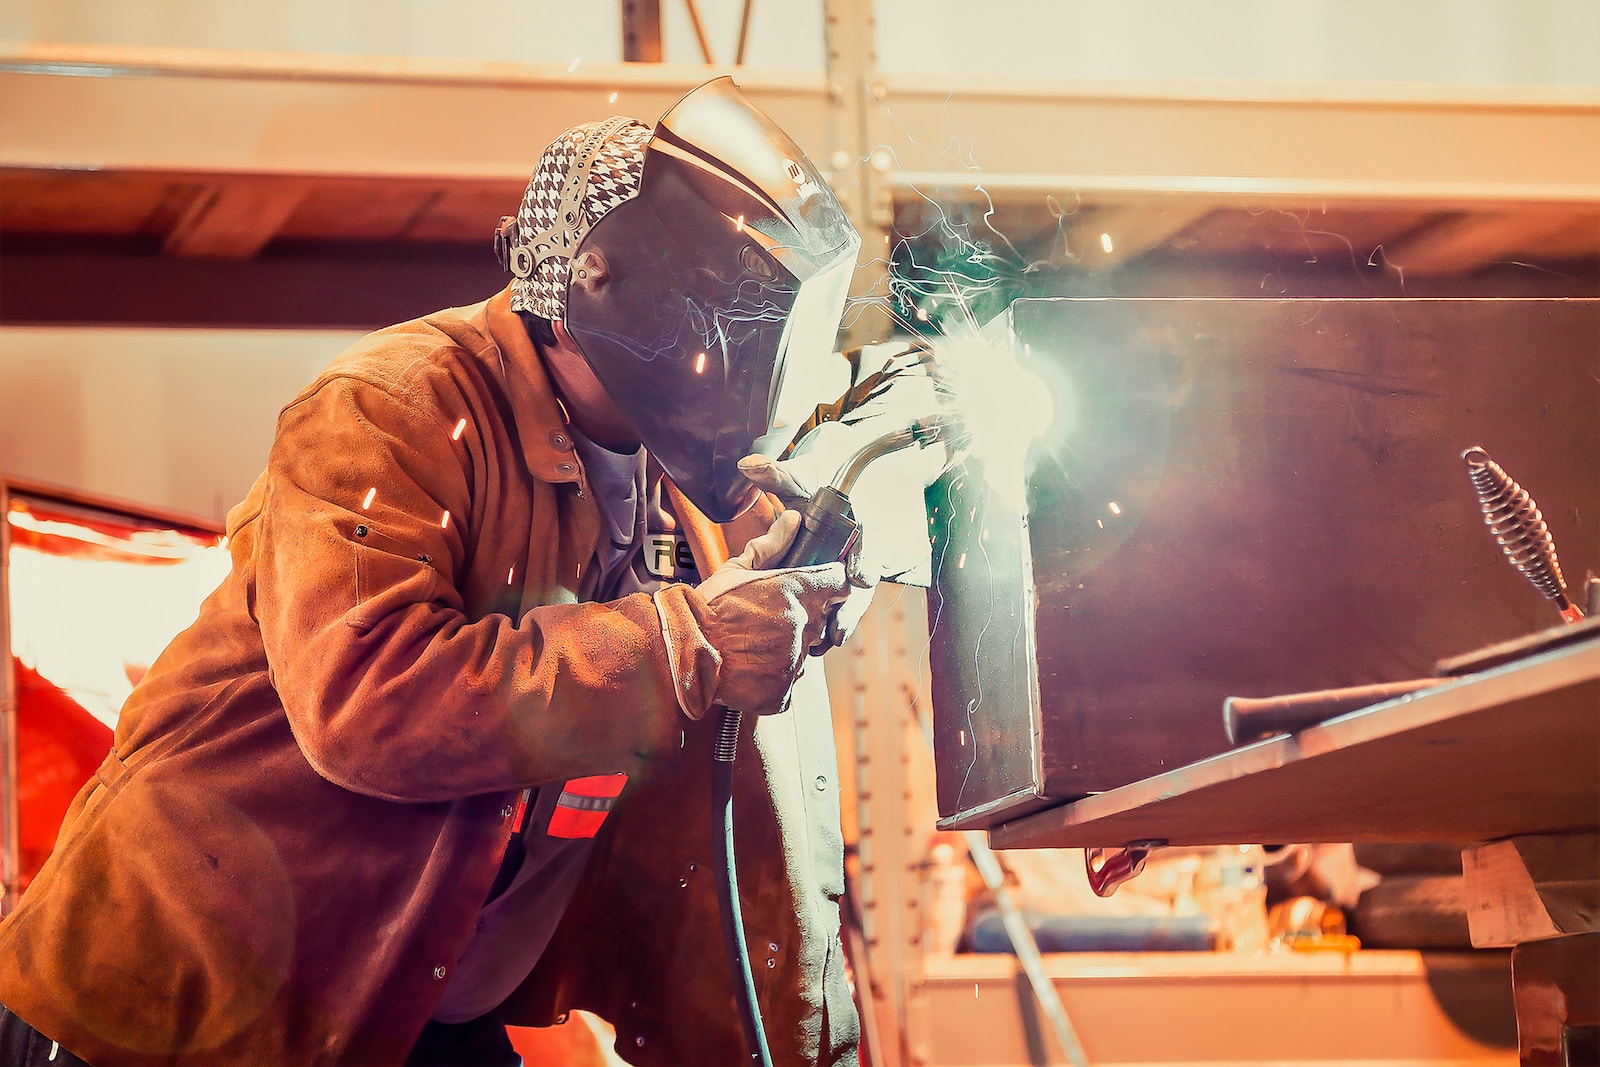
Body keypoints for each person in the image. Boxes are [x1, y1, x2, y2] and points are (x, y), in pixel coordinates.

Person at [0, 78, 878, 1066]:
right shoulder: (392, 407)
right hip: (184, 1008)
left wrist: (791, 581)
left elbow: (699, 719)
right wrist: (691, 643)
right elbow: (372, 698)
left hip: (418, 1006)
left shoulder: (676, 475)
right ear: (623, 291)